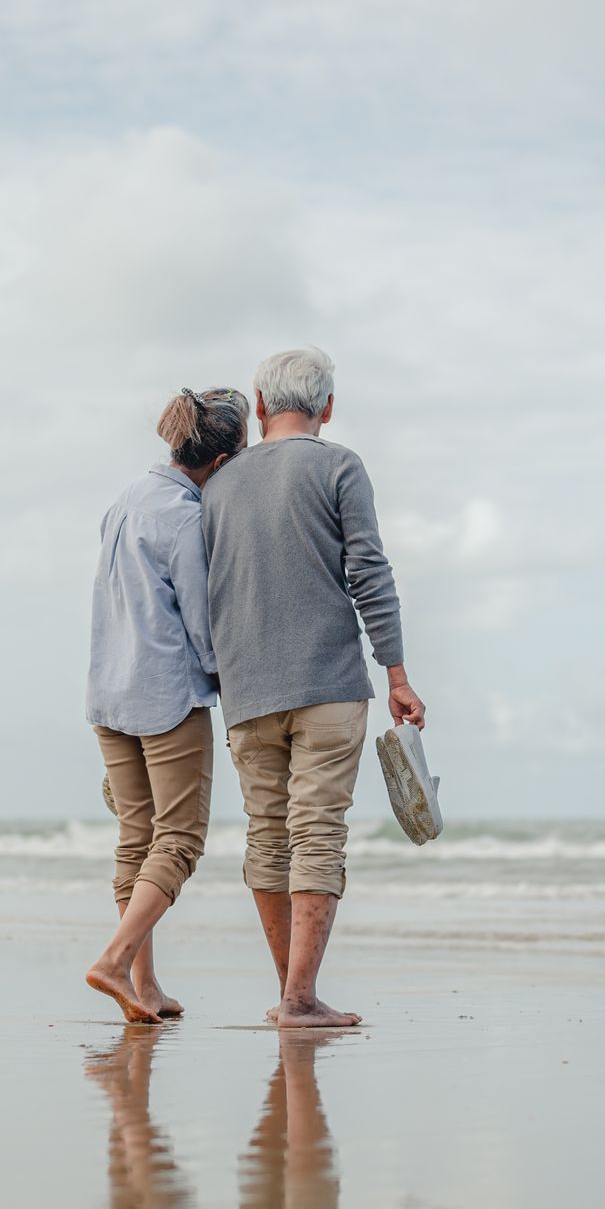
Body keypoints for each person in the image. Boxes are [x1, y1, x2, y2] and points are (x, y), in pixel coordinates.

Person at [202, 346, 425, 1029]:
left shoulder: (217, 484)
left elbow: (203, 588)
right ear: (327, 407)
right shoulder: (339, 466)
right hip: (327, 681)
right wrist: (397, 672)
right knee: (318, 834)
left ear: (260, 404)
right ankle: (299, 998)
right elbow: (369, 573)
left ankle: (290, 992)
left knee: (268, 836)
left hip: (245, 690)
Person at [83, 387, 250, 1024]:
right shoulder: (184, 517)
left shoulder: (125, 499)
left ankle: (143, 987)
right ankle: (115, 961)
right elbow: (202, 624)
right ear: (225, 459)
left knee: (136, 841)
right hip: (164, 695)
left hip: (107, 691)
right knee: (178, 841)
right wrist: (233, 683)